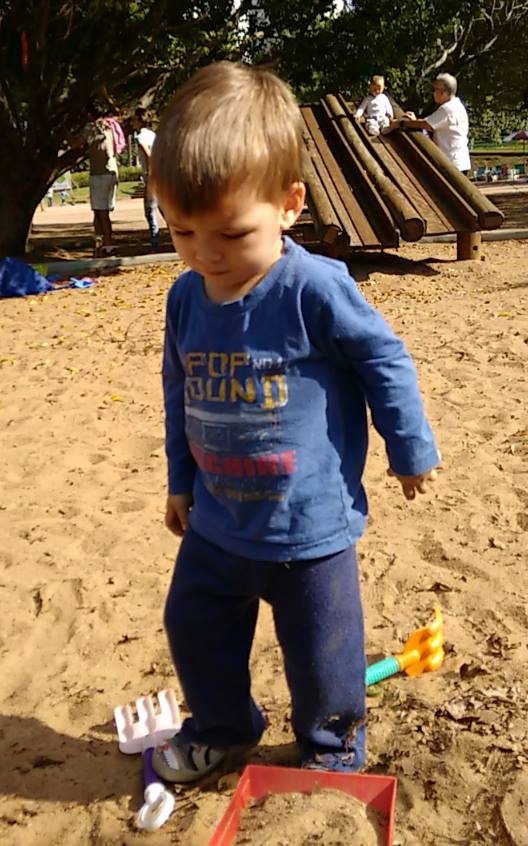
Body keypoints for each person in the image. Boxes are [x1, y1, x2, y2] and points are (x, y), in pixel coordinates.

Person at [148, 61, 440, 785]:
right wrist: (180, 481)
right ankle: (224, 728)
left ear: (289, 204)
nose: (205, 253)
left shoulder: (313, 287)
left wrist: (409, 447)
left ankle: (331, 746)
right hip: (218, 519)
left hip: (308, 526)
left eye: (230, 233)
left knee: (324, 651)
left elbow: (383, 359)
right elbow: (178, 390)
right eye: (182, 231)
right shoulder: (187, 298)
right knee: (193, 625)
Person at [66, 101, 121, 256]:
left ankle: (108, 245)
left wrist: (65, 130)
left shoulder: (91, 127)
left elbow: (74, 144)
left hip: (100, 174)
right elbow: (117, 112)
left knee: (101, 213)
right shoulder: (110, 125)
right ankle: (100, 243)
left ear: (89, 114)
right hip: (112, 172)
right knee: (99, 212)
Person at [401, 73, 471, 174]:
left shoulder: (447, 108)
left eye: (434, 89)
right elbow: (430, 124)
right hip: (461, 161)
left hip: (451, 162)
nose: (433, 93)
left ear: (443, 92)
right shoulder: (457, 105)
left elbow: (426, 124)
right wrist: (415, 121)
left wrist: (403, 123)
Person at [132, 107, 160, 252]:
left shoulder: (141, 136)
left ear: (139, 120)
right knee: (163, 208)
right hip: (161, 174)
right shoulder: (152, 134)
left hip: (152, 176)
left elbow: (148, 154)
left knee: (150, 210)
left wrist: (150, 172)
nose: (132, 122)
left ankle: (155, 241)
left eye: (134, 119)